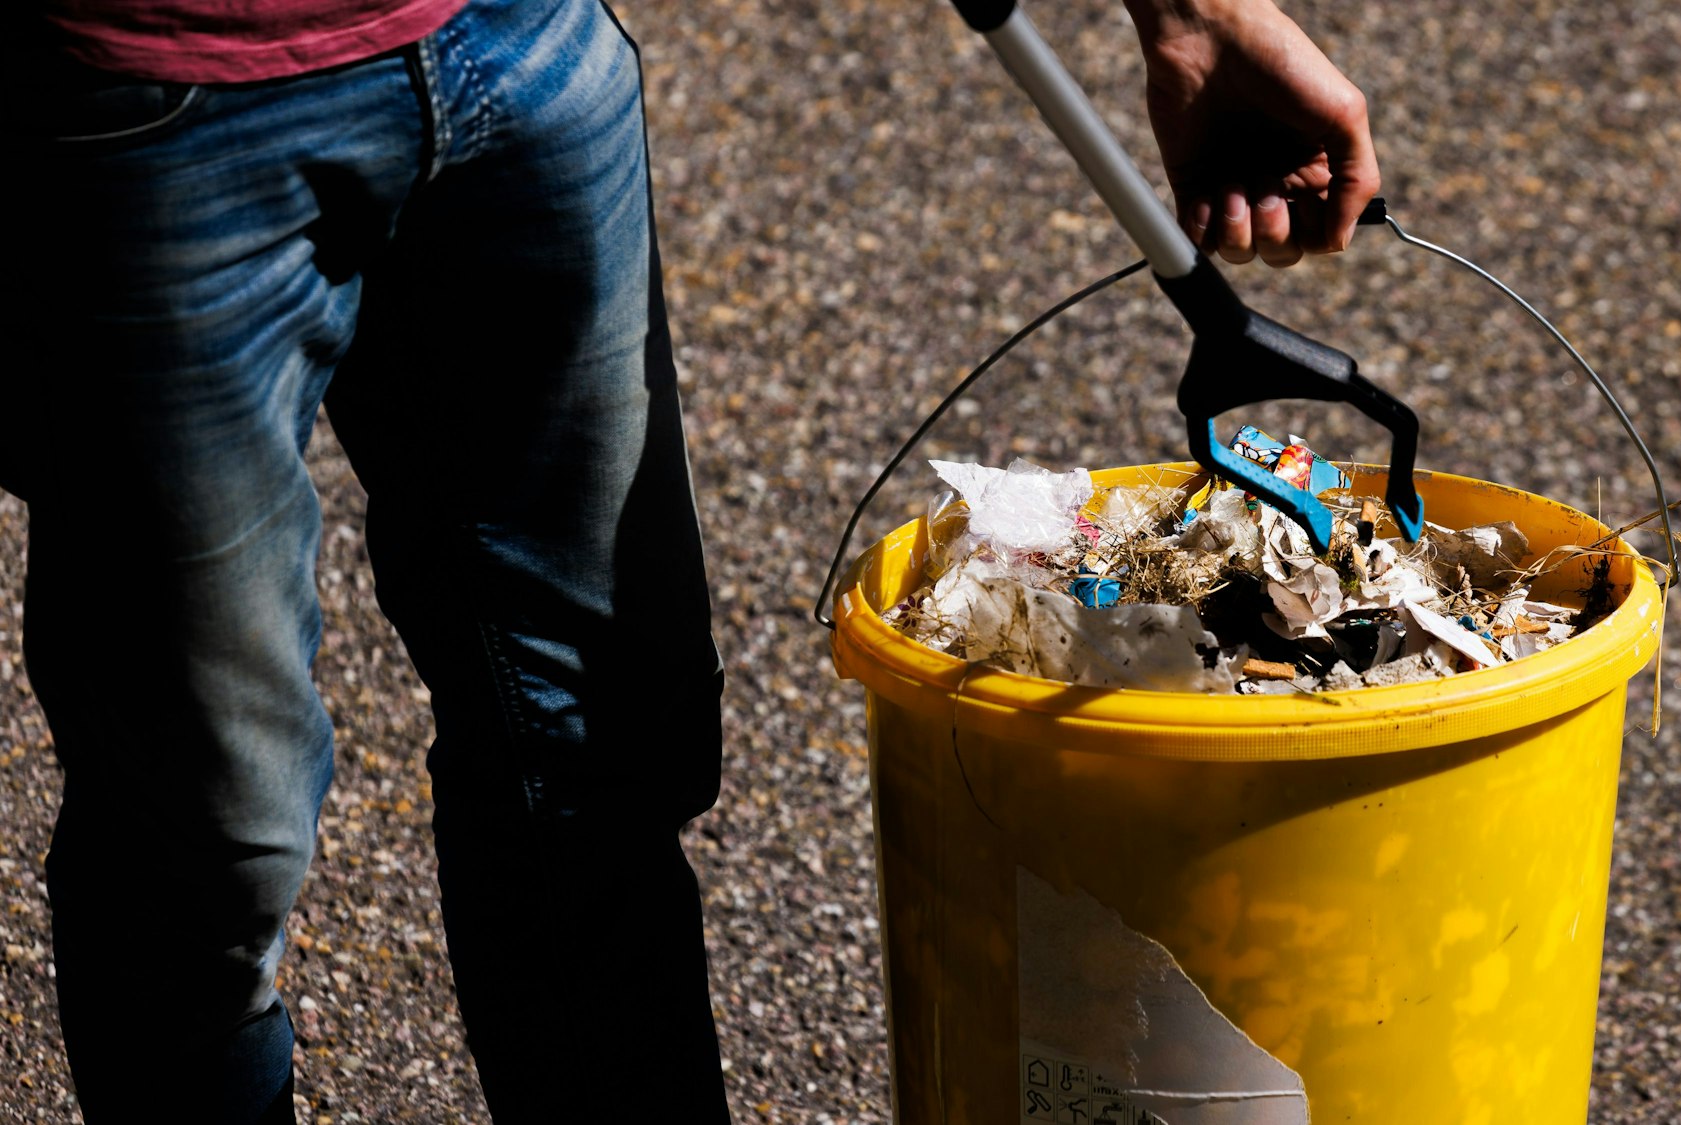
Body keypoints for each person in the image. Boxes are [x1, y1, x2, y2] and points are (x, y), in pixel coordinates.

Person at [2, 0, 1378, 1119]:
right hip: (142, 104)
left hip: (515, 43)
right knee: (206, 838)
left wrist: (1191, 11)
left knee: (597, 746)